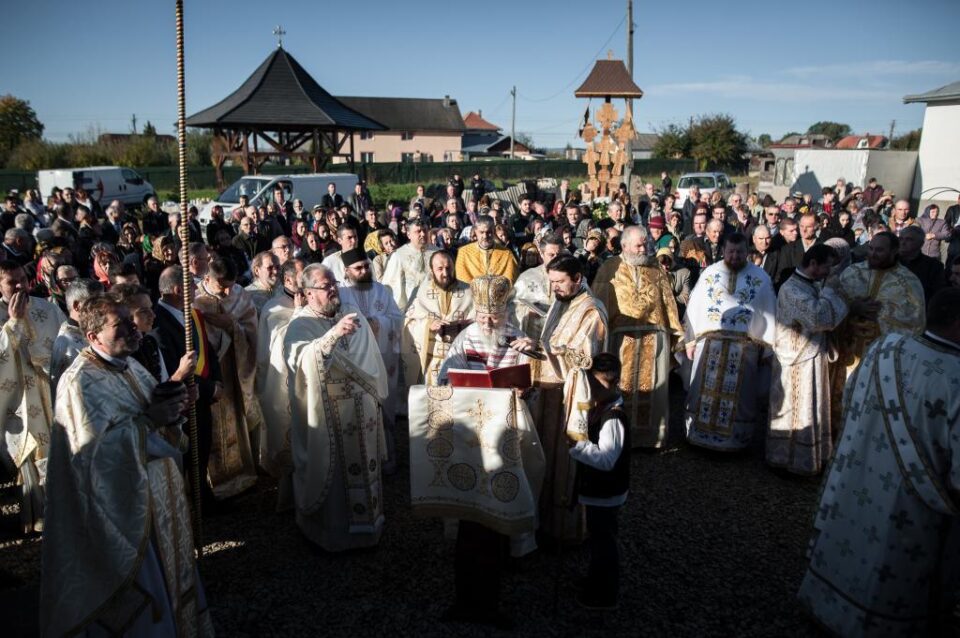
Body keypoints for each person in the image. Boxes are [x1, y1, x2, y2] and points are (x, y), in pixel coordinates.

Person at [41, 293, 213, 637]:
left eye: (129, 319)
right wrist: (150, 421)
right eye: (120, 324)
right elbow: (91, 458)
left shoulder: (128, 363)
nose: (134, 329)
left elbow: (151, 410)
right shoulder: (79, 383)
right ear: (93, 337)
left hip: (158, 494)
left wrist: (176, 402)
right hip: (126, 509)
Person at [798, 288, 960, 636]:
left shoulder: (887, 348)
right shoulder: (956, 377)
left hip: (858, 478)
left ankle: (824, 601)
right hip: (914, 511)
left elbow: (851, 400)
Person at [283, 264, 388, 551]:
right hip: (328, 416)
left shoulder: (348, 315)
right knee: (337, 477)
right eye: (325, 285)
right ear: (307, 294)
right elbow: (299, 361)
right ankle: (334, 534)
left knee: (363, 468)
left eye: (333, 283)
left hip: (360, 411)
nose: (333, 289)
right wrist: (332, 337)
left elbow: (369, 359)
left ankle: (369, 527)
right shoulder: (299, 325)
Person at [531, 254, 608, 543]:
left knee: (566, 463)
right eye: (551, 282)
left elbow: (584, 360)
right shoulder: (562, 301)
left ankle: (567, 530)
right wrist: (535, 347)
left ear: (578, 279)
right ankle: (545, 522)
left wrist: (543, 351)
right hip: (551, 395)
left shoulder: (592, 311)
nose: (554, 288)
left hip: (573, 400)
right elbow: (553, 342)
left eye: (559, 282)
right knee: (547, 460)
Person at [682, 233, 776, 451]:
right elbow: (694, 307)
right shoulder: (710, 273)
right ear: (723, 250)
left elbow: (769, 310)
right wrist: (689, 340)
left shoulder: (760, 277)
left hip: (745, 348)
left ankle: (736, 439)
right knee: (703, 391)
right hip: (709, 345)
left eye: (740, 252)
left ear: (747, 252)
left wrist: (767, 348)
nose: (735, 256)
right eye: (730, 251)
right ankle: (700, 434)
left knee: (740, 396)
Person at [592, 226, 682, 449]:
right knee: (618, 386)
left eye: (645, 244)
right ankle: (616, 436)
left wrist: (675, 333)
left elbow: (668, 303)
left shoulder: (656, 268)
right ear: (624, 246)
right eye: (638, 245)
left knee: (655, 389)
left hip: (654, 337)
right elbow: (599, 304)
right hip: (619, 340)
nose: (644, 249)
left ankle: (650, 438)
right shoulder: (608, 268)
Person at [766, 245, 850, 475]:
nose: (828, 273)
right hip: (795, 359)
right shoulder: (791, 289)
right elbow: (819, 317)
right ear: (813, 264)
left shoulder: (808, 285)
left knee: (808, 407)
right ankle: (787, 459)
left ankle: (806, 457)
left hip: (809, 355)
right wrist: (833, 291)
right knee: (796, 409)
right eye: (826, 267)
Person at [0, 261, 67, 533]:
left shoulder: (48, 308)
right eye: (10, 282)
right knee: (31, 454)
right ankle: (39, 516)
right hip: (20, 401)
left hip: (52, 392)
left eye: (22, 279)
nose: (19, 286)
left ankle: (66, 510)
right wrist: (13, 324)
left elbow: (65, 340)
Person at [154, 265, 223, 510]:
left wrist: (217, 381)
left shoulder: (190, 313)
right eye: (191, 286)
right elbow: (174, 365)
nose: (196, 289)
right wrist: (207, 389)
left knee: (202, 450)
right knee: (187, 455)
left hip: (202, 396)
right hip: (184, 399)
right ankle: (187, 505)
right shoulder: (159, 322)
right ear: (176, 289)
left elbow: (208, 349)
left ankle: (204, 498)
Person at [194, 258, 261, 499]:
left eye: (231, 285)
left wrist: (232, 325)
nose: (228, 291)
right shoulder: (194, 299)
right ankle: (214, 484)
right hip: (209, 374)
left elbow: (252, 331)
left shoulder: (240, 295)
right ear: (207, 278)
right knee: (211, 427)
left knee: (235, 421)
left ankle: (240, 473)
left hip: (234, 366)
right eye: (222, 286)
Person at [568, 353, 629, 610]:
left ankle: (605, 594)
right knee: (597, 538)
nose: (590, 390)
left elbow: (606, 460)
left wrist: (576, 446)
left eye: (594, 385)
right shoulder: (601, 407)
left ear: (611, 383)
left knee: (604, 541)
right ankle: (595, 579)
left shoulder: (612, 418)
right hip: (600, 491)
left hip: (605, 491)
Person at [338, 248, 404, 463]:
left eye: (366, 266)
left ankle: (387, 458)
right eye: (358, 268)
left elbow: (397, 318)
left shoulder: (382, 291)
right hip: (356, 361)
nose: (364, 270)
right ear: (346, 270)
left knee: (383, 405)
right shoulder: (340, 294)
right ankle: (360, 460)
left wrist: (378, 323)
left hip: (383, 358)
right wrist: (365, 325)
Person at [255, 258, 305, 511]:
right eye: (300, 276)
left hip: (310, 383)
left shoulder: (311, 301)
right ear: (287, 280)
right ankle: (288, 499)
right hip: (284, 386)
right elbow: (277, 348)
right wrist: (298, 313)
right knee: (289, 442)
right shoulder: (274, 308)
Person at [402, 251, 473, 387]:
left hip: (461, 360)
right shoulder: (421, 292)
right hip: (431, 362)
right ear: (431, 270)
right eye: (440, 269)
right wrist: (429, 324)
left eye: (449, 268)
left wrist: (461, 327)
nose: (445, 273)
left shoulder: (469, 291)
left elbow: (477, 322)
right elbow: (407, 323)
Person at [50, 279, 102, 403]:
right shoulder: (68, 345)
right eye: (95, 302)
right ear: (77, 306)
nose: (102, 308)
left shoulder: (89, 331)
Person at [510, 234, 562, 340]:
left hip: (561, 336)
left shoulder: (574, 277)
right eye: (551, 255)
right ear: (541, 255)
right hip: (532, 338)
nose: (557, 259)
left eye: (559, 254)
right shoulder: (527, 277)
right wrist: (527, 312)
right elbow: (512, 307)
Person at [381, 217, 436, 312]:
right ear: (408, 234)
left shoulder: (438, 253)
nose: (422, 234)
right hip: (411, 309)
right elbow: (390, 286)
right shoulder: (398, 255)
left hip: (436, 304)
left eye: (425, 230)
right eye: (418, 231)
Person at [455, 215, 519, 284]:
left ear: (494, 231)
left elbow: (510, 279)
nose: (485, 236)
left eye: (489, 232)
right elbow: (461, 279)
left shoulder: (506, 254)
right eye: (481, 232)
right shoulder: (464, 253)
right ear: (476, 232)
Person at [899, 225, 944, 302]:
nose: (903, 243)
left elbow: (937, 294)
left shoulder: (933, 266)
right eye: (901, 239)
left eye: (909, 239)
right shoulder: (891, 261)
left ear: (920, 243)